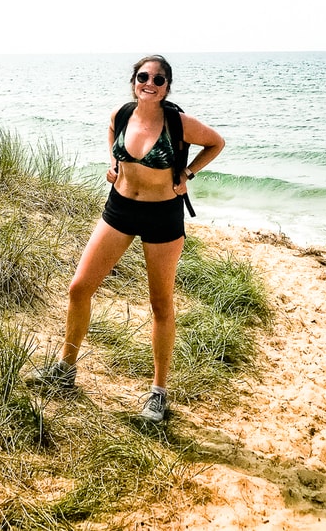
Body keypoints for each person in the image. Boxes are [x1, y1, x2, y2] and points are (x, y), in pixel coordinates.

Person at [36, 54, 225, 423]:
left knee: (160, 304)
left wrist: (187, 172)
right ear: (134, 81)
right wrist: (114, 164)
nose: (149, 83)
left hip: (163, 216)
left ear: (167, 85)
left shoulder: (178, 123)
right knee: (79, 287)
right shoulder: (122, 114)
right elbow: (111, 131)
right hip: (119, 209)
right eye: (143, 76)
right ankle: (65, 370)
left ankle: (158, 394)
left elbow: (216, 143)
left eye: (158, 78)